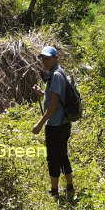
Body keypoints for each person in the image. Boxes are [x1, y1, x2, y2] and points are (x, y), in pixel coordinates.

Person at [32, 45, 74, 199]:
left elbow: (53, 105)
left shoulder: (55, 75)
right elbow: (55, 97)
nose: (44, 61)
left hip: (56, 125)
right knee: (62, 154)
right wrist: (42, 93)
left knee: (53, 157)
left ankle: (54, 191)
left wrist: (40, 124)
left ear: (56, 58)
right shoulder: (59, 73)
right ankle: (69, 186)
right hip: (64, 123)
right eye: (43, 58)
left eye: (48, 58)